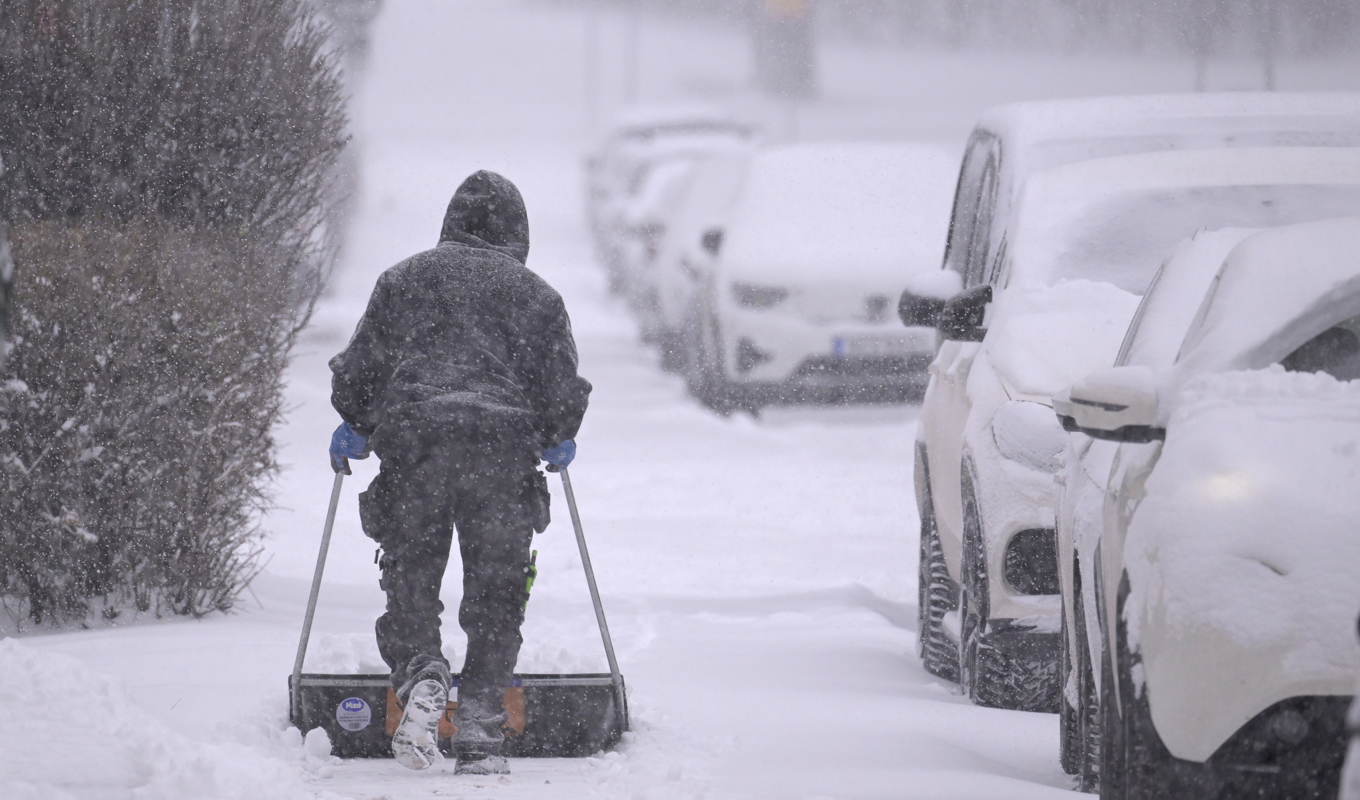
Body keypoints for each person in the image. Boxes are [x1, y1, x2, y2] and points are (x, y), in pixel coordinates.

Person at [327, 171, 591, 774]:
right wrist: (558, 434)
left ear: (451, 222)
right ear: (518, 233)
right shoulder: (538, 297)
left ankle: (421, 671)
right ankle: (479, 724)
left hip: (416, 449)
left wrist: (356, 422)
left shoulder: (402, 280)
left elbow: (360, 371)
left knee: (411, 578)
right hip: (500, 457)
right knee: (497, 592)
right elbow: (559, 393)